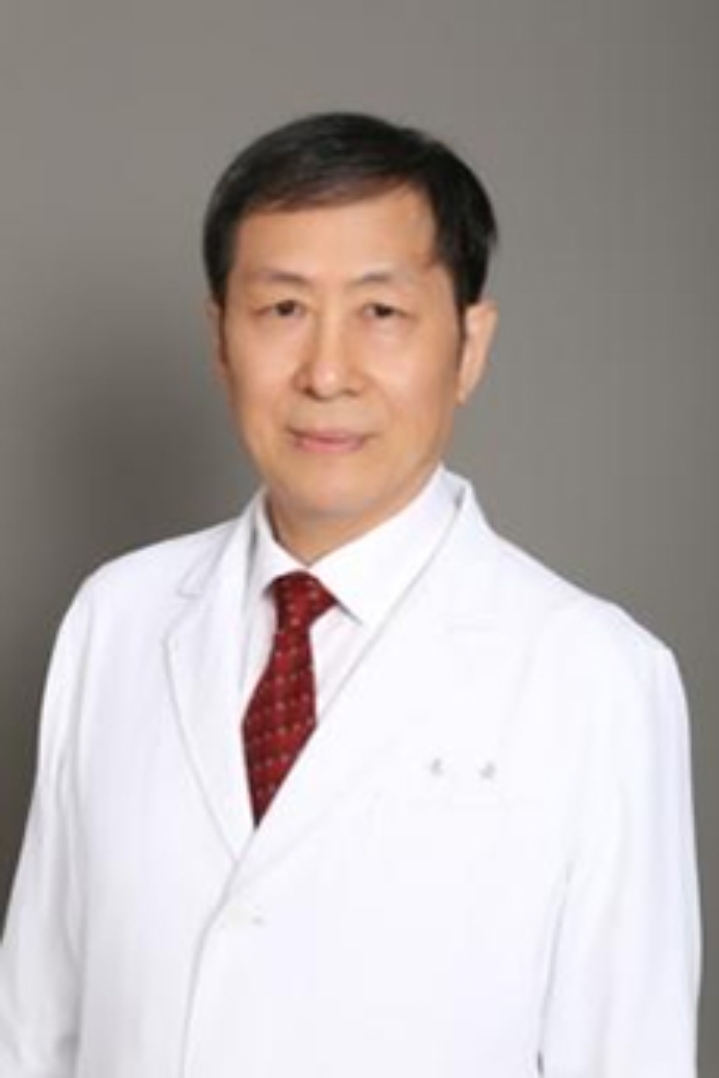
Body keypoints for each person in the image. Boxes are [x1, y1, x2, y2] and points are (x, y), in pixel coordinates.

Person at [0, 112, 700, 1077]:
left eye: (380, 312)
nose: (327, 374)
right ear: (220, 339)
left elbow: (627, 1055)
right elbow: (33, 1026)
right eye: (283, 309)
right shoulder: (114, 618)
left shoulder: (595, 675)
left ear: (468, 345)